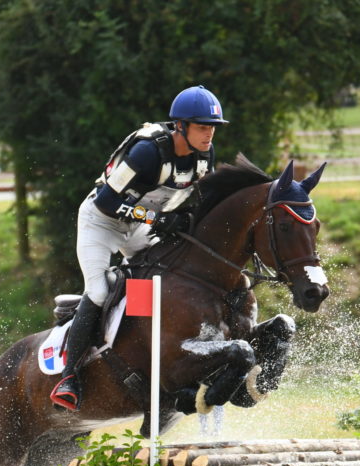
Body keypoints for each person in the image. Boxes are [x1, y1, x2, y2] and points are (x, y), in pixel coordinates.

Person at [50, 85, 229, 411]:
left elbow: (201, 201)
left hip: (140, 227)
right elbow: (107, 201)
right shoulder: (149, 152)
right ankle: (69, 376)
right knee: (101, 292)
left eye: (212, 127)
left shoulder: (204, 157)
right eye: (202, 127)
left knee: (163, 280)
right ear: (180, 126)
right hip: (100, 222)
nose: (209, 135)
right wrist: (157, 219)